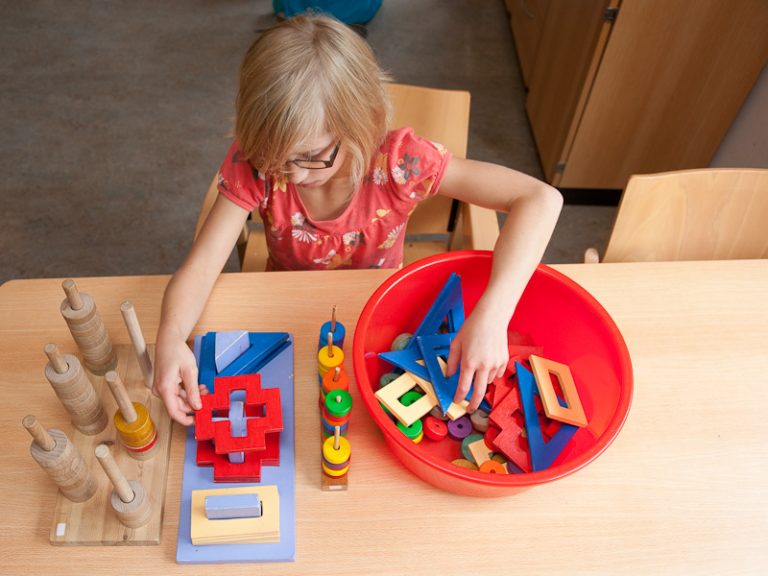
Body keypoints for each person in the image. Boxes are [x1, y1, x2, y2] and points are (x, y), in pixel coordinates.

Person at [154, 13, 563, 426]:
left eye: (312, 158)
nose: (292, 174)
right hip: (291, 306)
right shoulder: (258, 164)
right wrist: (169, 339)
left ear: (361, 125)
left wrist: (493, 315)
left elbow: (540, 199)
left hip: (378, 309)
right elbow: (201, 266)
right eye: (275, 157)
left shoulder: (401, 161)